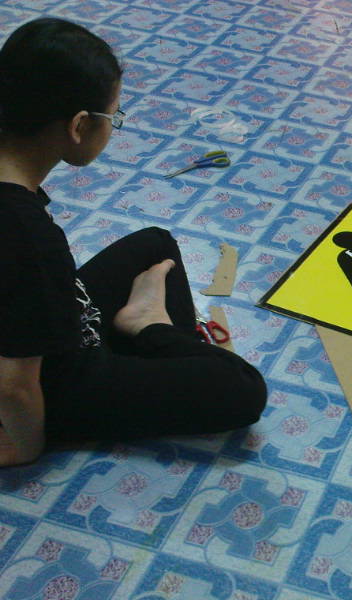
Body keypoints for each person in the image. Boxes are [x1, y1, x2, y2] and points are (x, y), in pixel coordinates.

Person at [0, 18, 267, 467]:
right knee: (241, 387)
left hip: (51, 327)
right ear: (79, 125)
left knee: (155, 245)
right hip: (56, 384)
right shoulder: (26, 235)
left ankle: (150, 342)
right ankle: (148, 327)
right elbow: (13, 384)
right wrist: (26, 446)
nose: (114, 126)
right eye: (113, 117)